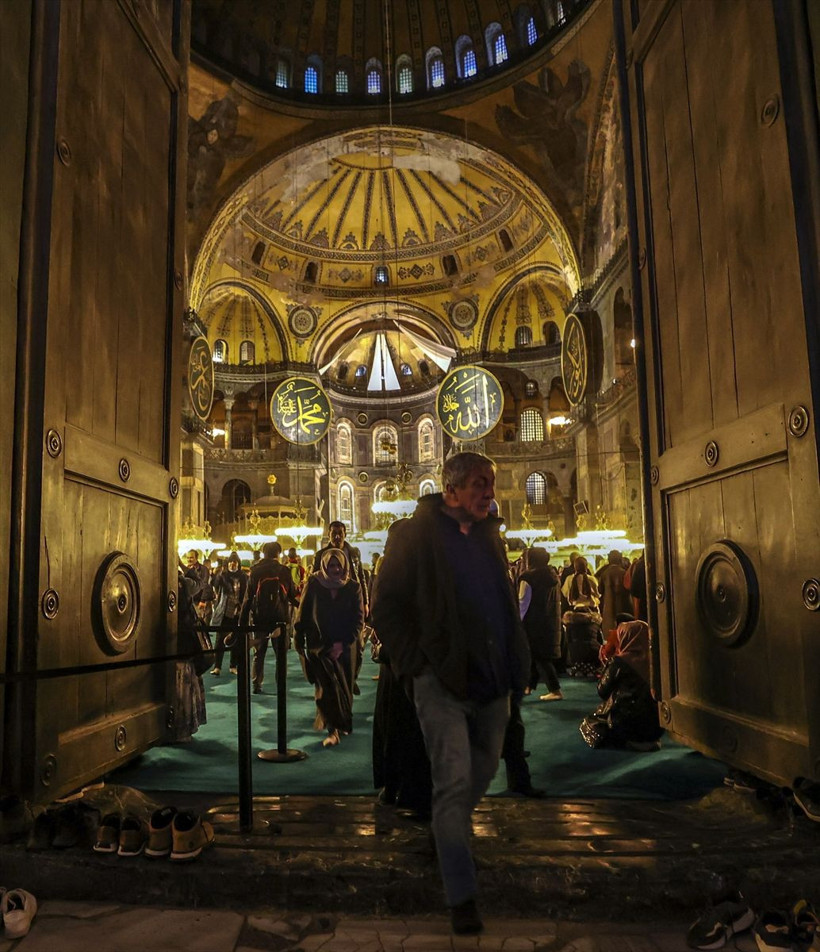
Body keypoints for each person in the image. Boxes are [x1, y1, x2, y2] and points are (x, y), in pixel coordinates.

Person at [370, 451, 530, 936]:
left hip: (491, 678)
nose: (490, 492)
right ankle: (461, 894)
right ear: (452, 490)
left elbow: (503, 603)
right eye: (480, 483)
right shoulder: (412, 536)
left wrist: (517, 661)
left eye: (492, 483)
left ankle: (449, 828)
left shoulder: (488, 536)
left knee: (481, 770)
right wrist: (415, 666)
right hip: (439, 680)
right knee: (454, 781)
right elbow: (386, 607)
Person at [294, 548, 364, 747]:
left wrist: (342, 644)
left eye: (338, 565)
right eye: (331, 565)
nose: (335, 569)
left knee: (344, 687)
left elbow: (358, 620)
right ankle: (332, 730)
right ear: (324, 565)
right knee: (326, 688)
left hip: (345, 646)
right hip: (320, 646)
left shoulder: (353, 587)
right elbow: (303, 614)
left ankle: (342, 723)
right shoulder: (314, 584)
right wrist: (299, 640)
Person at [580, 619, 663, 751]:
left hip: (626, 725)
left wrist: (607, 664)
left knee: (589, 723)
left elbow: (602, 691)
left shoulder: (620, 662)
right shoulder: (658, 660)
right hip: (656, 728)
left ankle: (628, 741)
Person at [239, 541, 298, 695]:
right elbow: (292, 595)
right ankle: (281, 685)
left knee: (259, 653)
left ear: (264, 553)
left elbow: (247, 599)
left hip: (260, 618)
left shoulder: (255, 571)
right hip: (280, 620)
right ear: (278, 554)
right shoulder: (283, 571)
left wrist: (242, 624)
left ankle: (257, 684)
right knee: (281, 655)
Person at [518, 547, 563, 701]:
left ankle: (555, 690)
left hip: (533, 622)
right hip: (549, 621)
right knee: (536, 654)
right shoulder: (553, 576)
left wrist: (517, 621)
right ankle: (528, 685)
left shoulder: (529, 577)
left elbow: (523, 602)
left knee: (540, 657)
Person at [561, 556, 603, 677]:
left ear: (574, 567)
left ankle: (577, 664)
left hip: (574, 613)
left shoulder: (569, 579)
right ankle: (594, 664)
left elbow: (564, 593)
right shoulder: (592, 579)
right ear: (586, 566)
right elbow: (598, 595)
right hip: (591, 613)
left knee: (575, 641)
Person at [210, 551, 247, 676]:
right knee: (220, 639)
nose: (232, 564)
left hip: (238, 611)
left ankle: (233, 665)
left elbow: (245, 593)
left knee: (235, 639)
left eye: (235, 562)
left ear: (238, 564)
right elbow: (214, 587)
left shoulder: (243, 577)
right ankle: (217, 666)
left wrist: (242, 606)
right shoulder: (223, 576)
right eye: (231, 562)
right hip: (225, 610)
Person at [598, 549, 633, 638]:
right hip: (623, 605)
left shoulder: (604, 573)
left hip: (608, 608)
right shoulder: (623, 572)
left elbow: (600, 590)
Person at [182, 549, 214, 625]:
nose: (189, 559)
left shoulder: (203, 569)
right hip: (191, 602)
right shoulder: (186, 569)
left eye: (191, 557)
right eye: (188, 557)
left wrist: (202, 600)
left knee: (202, 624)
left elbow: (205, 585)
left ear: (196, 558)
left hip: (201, 601)